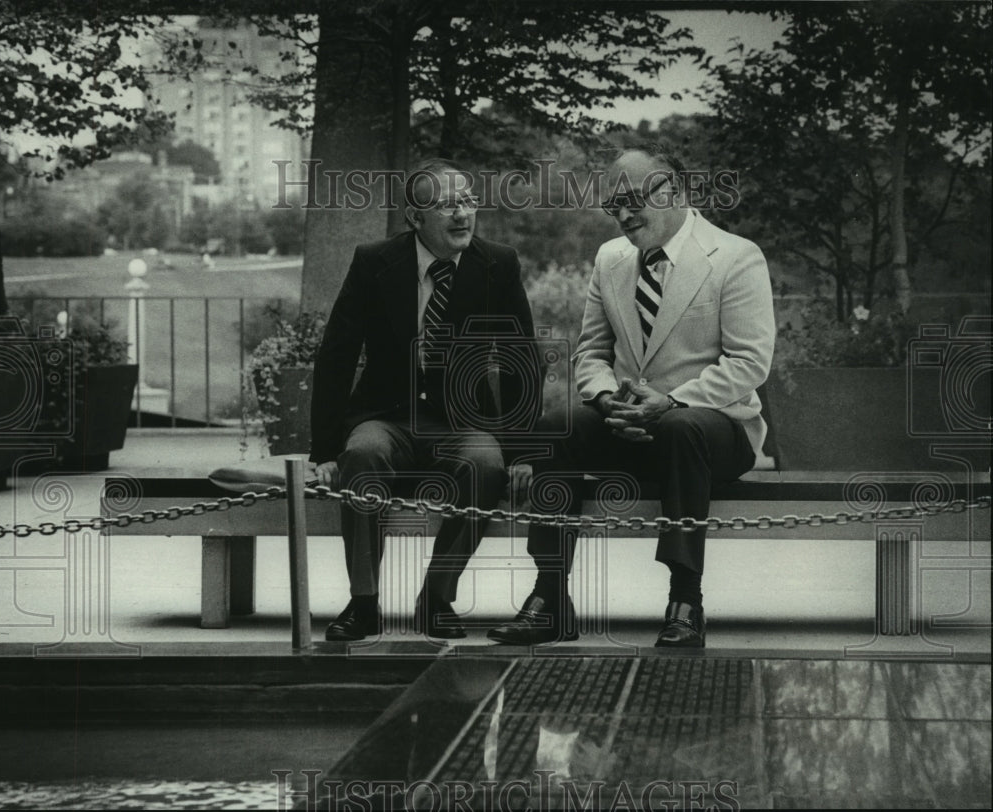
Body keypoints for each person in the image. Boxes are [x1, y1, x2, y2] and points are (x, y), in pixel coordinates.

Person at [488, 145, 775, 648]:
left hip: (713, 432)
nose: (622, 213)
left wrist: (669, 401)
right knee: (560, 425)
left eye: (633, 199)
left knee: (683, 427)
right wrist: (605, 401)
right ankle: (549, 597)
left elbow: (749, 363)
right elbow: (593, 354)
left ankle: (686, 602)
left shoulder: (735, 256)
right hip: (627, 426)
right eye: (613, 203)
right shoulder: (611, 259)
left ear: (675, 191)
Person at [310, 159, 539, 642]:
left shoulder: (498, 263)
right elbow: (337, 354)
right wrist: (324, 450)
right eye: (444, 205)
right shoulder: (375, 261)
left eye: (467, 200)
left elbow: (522, 359)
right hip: (385, 417)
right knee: (362, 453)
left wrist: (522, 452)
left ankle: (437, 597)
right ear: (415, 217)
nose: (462, 214)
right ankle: (364, 601)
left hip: (463, 423)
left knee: (485, 462)